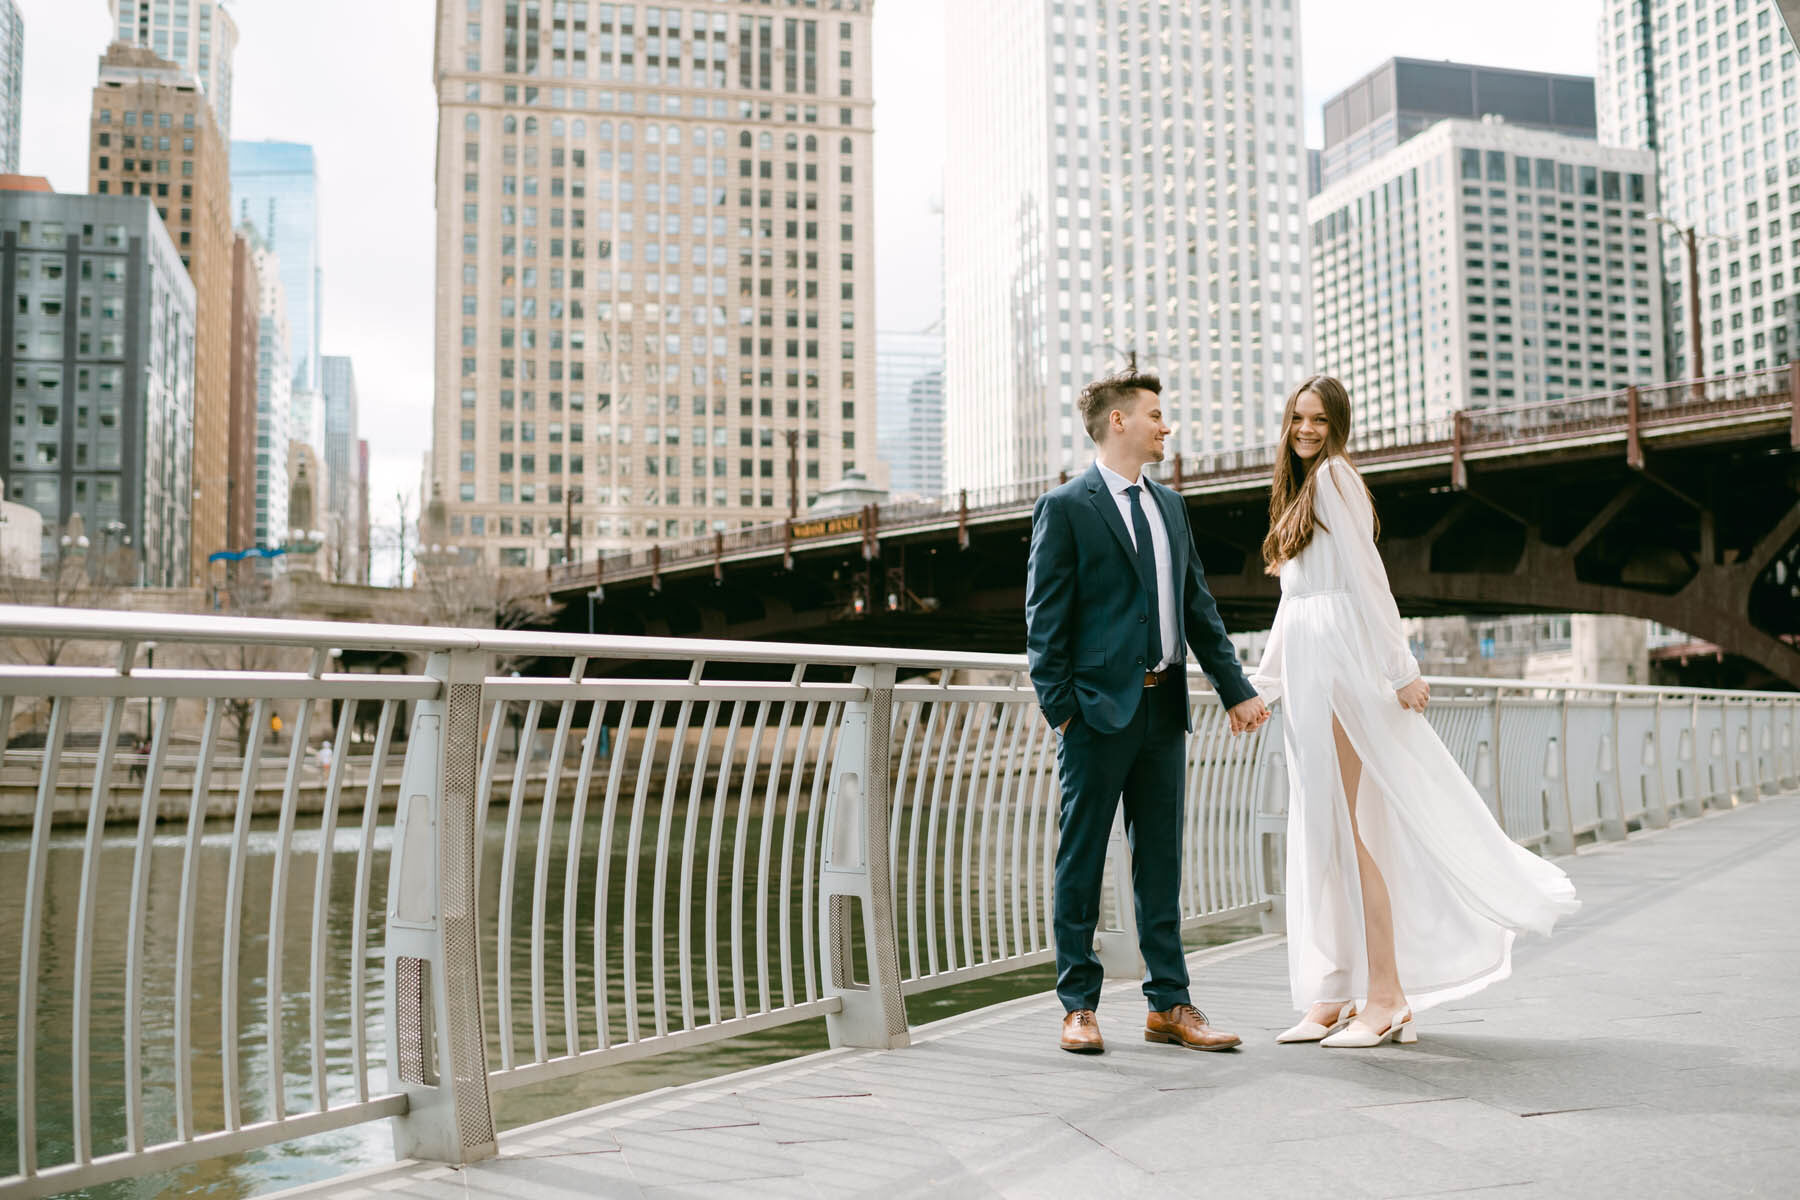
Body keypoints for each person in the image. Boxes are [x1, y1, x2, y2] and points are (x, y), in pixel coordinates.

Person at [1251, 375, 1578, 1048]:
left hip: (1344, 670)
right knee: (1324, 832)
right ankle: (1333, 991)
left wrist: (1401, 670)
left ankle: (1386, 997)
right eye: (1297, 419)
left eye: (1318, 420)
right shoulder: (1299, 492)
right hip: (1313, 675)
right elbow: (1295, 602)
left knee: (1355, 833)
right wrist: (1264, 685)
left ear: (1338, 425)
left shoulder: (1337, 478)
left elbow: (1368, 578)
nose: (1306, 430)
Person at [1026, 369, 1269, 1055]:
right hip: (1097, 714)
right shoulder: (1067, 506)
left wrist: (1236, 689)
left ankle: (1170, 1004)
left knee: (1160, 861)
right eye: (1156, 415)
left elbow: (1197, 608)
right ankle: (1078, 1004)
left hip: (1165, 712)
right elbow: (1045, 621)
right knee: (1080, 859)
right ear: (1119, 423)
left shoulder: (1171, 508)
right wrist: (1062, 711)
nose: (1166, 426)